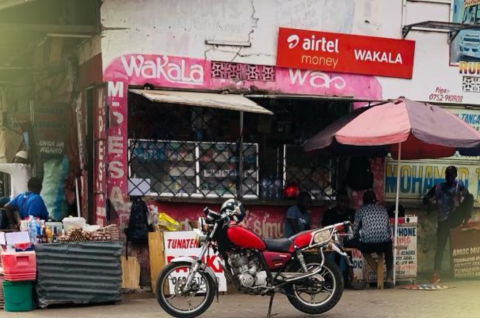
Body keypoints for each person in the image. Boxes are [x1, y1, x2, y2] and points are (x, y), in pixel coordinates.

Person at [423, 165, 473, 284]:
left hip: (455, 217)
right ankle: (436, 273)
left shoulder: (458, 184)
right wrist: (430, 203)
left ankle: (467, 221)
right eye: (447, 175)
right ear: (445, 176)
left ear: (455, 175)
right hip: (443, 220)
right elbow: (425, 198)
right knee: (440, 246)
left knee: (470, 197)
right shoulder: (439, 187)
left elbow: (467, 196)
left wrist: (461, 196)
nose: (449, 177)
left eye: (451, 175)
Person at [353, 190, 394, 288]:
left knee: (358, 245)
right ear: (375, 201)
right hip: (384, 243)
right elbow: (388, 229)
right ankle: (389, 277)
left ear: (363, 201)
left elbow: (354, 230)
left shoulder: (360, 211)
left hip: (367, 244)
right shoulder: (383, 210)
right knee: (389, 250)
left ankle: (360, 278)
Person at [322, 189, 356, 287]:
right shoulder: (329, 214)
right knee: (332, 254)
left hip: (347, 242)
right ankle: (330, 277)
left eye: (345, 202)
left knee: (343, 254)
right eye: (341, 201)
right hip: (331, 241)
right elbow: (325, 229)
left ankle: (343, 279)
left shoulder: (351, 213)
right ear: (337, 201)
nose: (343, 204)